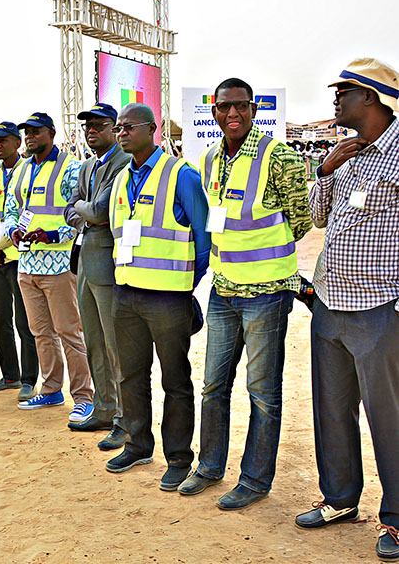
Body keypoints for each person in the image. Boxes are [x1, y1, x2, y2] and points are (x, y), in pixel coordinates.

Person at [177, 78, 312, 509]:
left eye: (240, 106)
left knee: (262, 392)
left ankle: (254, 479)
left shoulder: (279, 157)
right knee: (214, 385)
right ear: (213, 111)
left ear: (253, 109)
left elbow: (301, 220)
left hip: (266, 294)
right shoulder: (211, 157)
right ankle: (210, 467)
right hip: (223, 291)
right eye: (223, 107)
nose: (231, 114)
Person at [296, 58, 399, 562]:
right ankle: (340, 499)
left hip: (380, 308)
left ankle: (398, 520)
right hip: (330, 305)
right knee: (332, 411)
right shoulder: (346, 154)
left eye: (345, 92)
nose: (335, 99)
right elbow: (318, 218)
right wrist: (325, 170)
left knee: (391, 418)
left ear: (373, 99)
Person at [104, 103, 210, 493]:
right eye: (119, 127)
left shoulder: (181, 176)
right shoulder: (120, 179)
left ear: (153, 129)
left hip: (168, 299)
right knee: (130, 375)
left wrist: (185, 284)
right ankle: (137, 444)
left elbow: (204, 239)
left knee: (175, 380)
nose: (121, 133)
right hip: (126, 294)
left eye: (129, 127)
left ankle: (179, 458)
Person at [3, 112, 94, 423]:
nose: (30, 137)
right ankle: (52, 388)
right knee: (40, 332)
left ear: (51, 134)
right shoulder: (22, 169)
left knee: (69, 332)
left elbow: (79, 215)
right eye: (27, 132)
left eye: (36, 132)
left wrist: (54, 234)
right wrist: (13, 230)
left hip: (58, 264)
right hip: (27, 264)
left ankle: (83, 397)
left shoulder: (71, 168)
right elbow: (11, 209)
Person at [64, 102, 131, 451]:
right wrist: (82, 212)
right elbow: (73, 208)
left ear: (115, 128)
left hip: (108, 263)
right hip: (86, 261)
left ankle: (125, 418)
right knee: (92, 339)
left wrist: (83, 211)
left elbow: (102, 212)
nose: (91, 131)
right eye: (86, 126)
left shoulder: (122, 161)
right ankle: (104, 408)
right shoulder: (87, 165)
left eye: (99, 125)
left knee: (114, 344)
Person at [0, 122, 38, 400]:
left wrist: (0, 247)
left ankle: (29, 379)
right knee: (0, 317)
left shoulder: (29, 171)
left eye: (4, 140)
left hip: (19, 256)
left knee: (25, 322)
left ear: (18, 142)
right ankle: (10, 375)